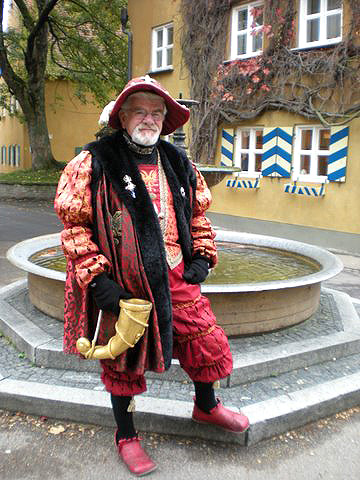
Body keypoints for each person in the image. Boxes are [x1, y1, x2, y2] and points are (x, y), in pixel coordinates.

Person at [54, 75, 249, 477]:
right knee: (123, 361)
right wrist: (98, 279)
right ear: (123, 116)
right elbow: (74, 228)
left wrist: (203, 257)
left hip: (177, 274)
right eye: (140, 110)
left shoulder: (178, 162)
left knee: (205, 339)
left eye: (156, 112)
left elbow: (197, 217)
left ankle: (207, 406)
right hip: (125, 283)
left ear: (166, 119)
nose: (149, 119)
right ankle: (126, 436)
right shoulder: (94, 161)